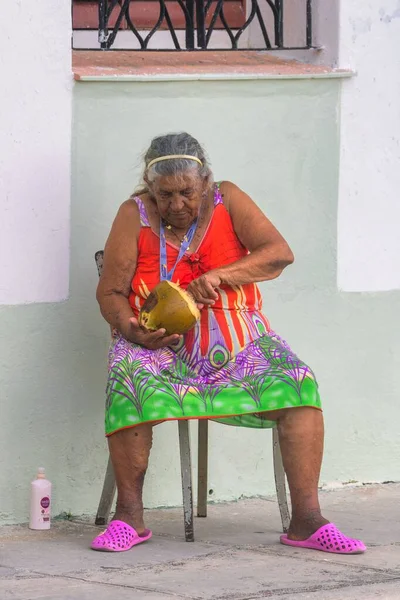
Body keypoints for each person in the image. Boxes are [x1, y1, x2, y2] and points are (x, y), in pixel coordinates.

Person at [92, 132, 366, 554]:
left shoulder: (229, 198)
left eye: (186, 192)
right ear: (150, 190)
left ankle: (307, 520)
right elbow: (110, 292)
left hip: (241, 341)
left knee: (299, 384)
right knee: (130, 382)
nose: (176, 204)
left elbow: (278, 253)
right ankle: (129, 516)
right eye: (165, 195)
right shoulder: (134, 214)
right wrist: (131, 330)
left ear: (205, 182)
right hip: (156, 343)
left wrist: (222, 275)